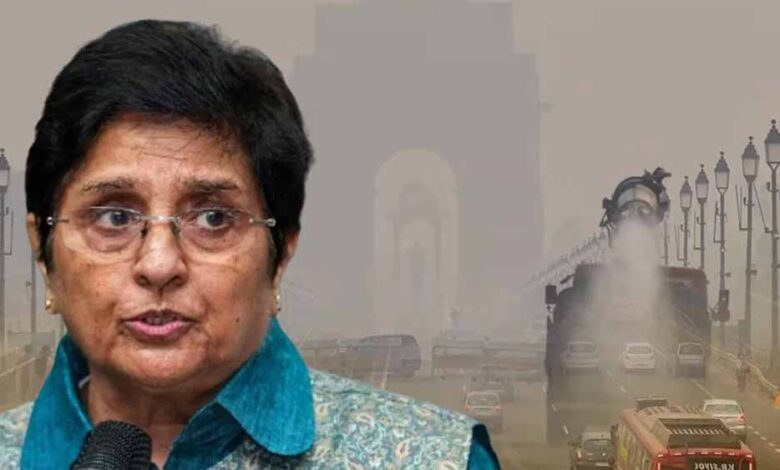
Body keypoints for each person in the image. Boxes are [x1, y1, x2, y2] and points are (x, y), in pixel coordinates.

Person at [0, 20, 500, 469]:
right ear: (43, 251)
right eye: (115, 217)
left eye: (213, 218)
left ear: (280, 254)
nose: (159, 263)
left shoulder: (440, 458)